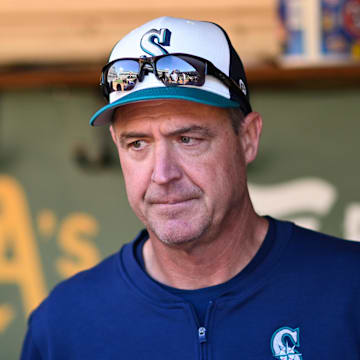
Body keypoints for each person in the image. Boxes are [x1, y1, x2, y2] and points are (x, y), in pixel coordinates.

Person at [20, 16, 360, 360]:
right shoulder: (61, 326)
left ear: (247, 139)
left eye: (187, 139)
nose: (162, 174)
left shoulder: (350, 290)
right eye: (137, 144)